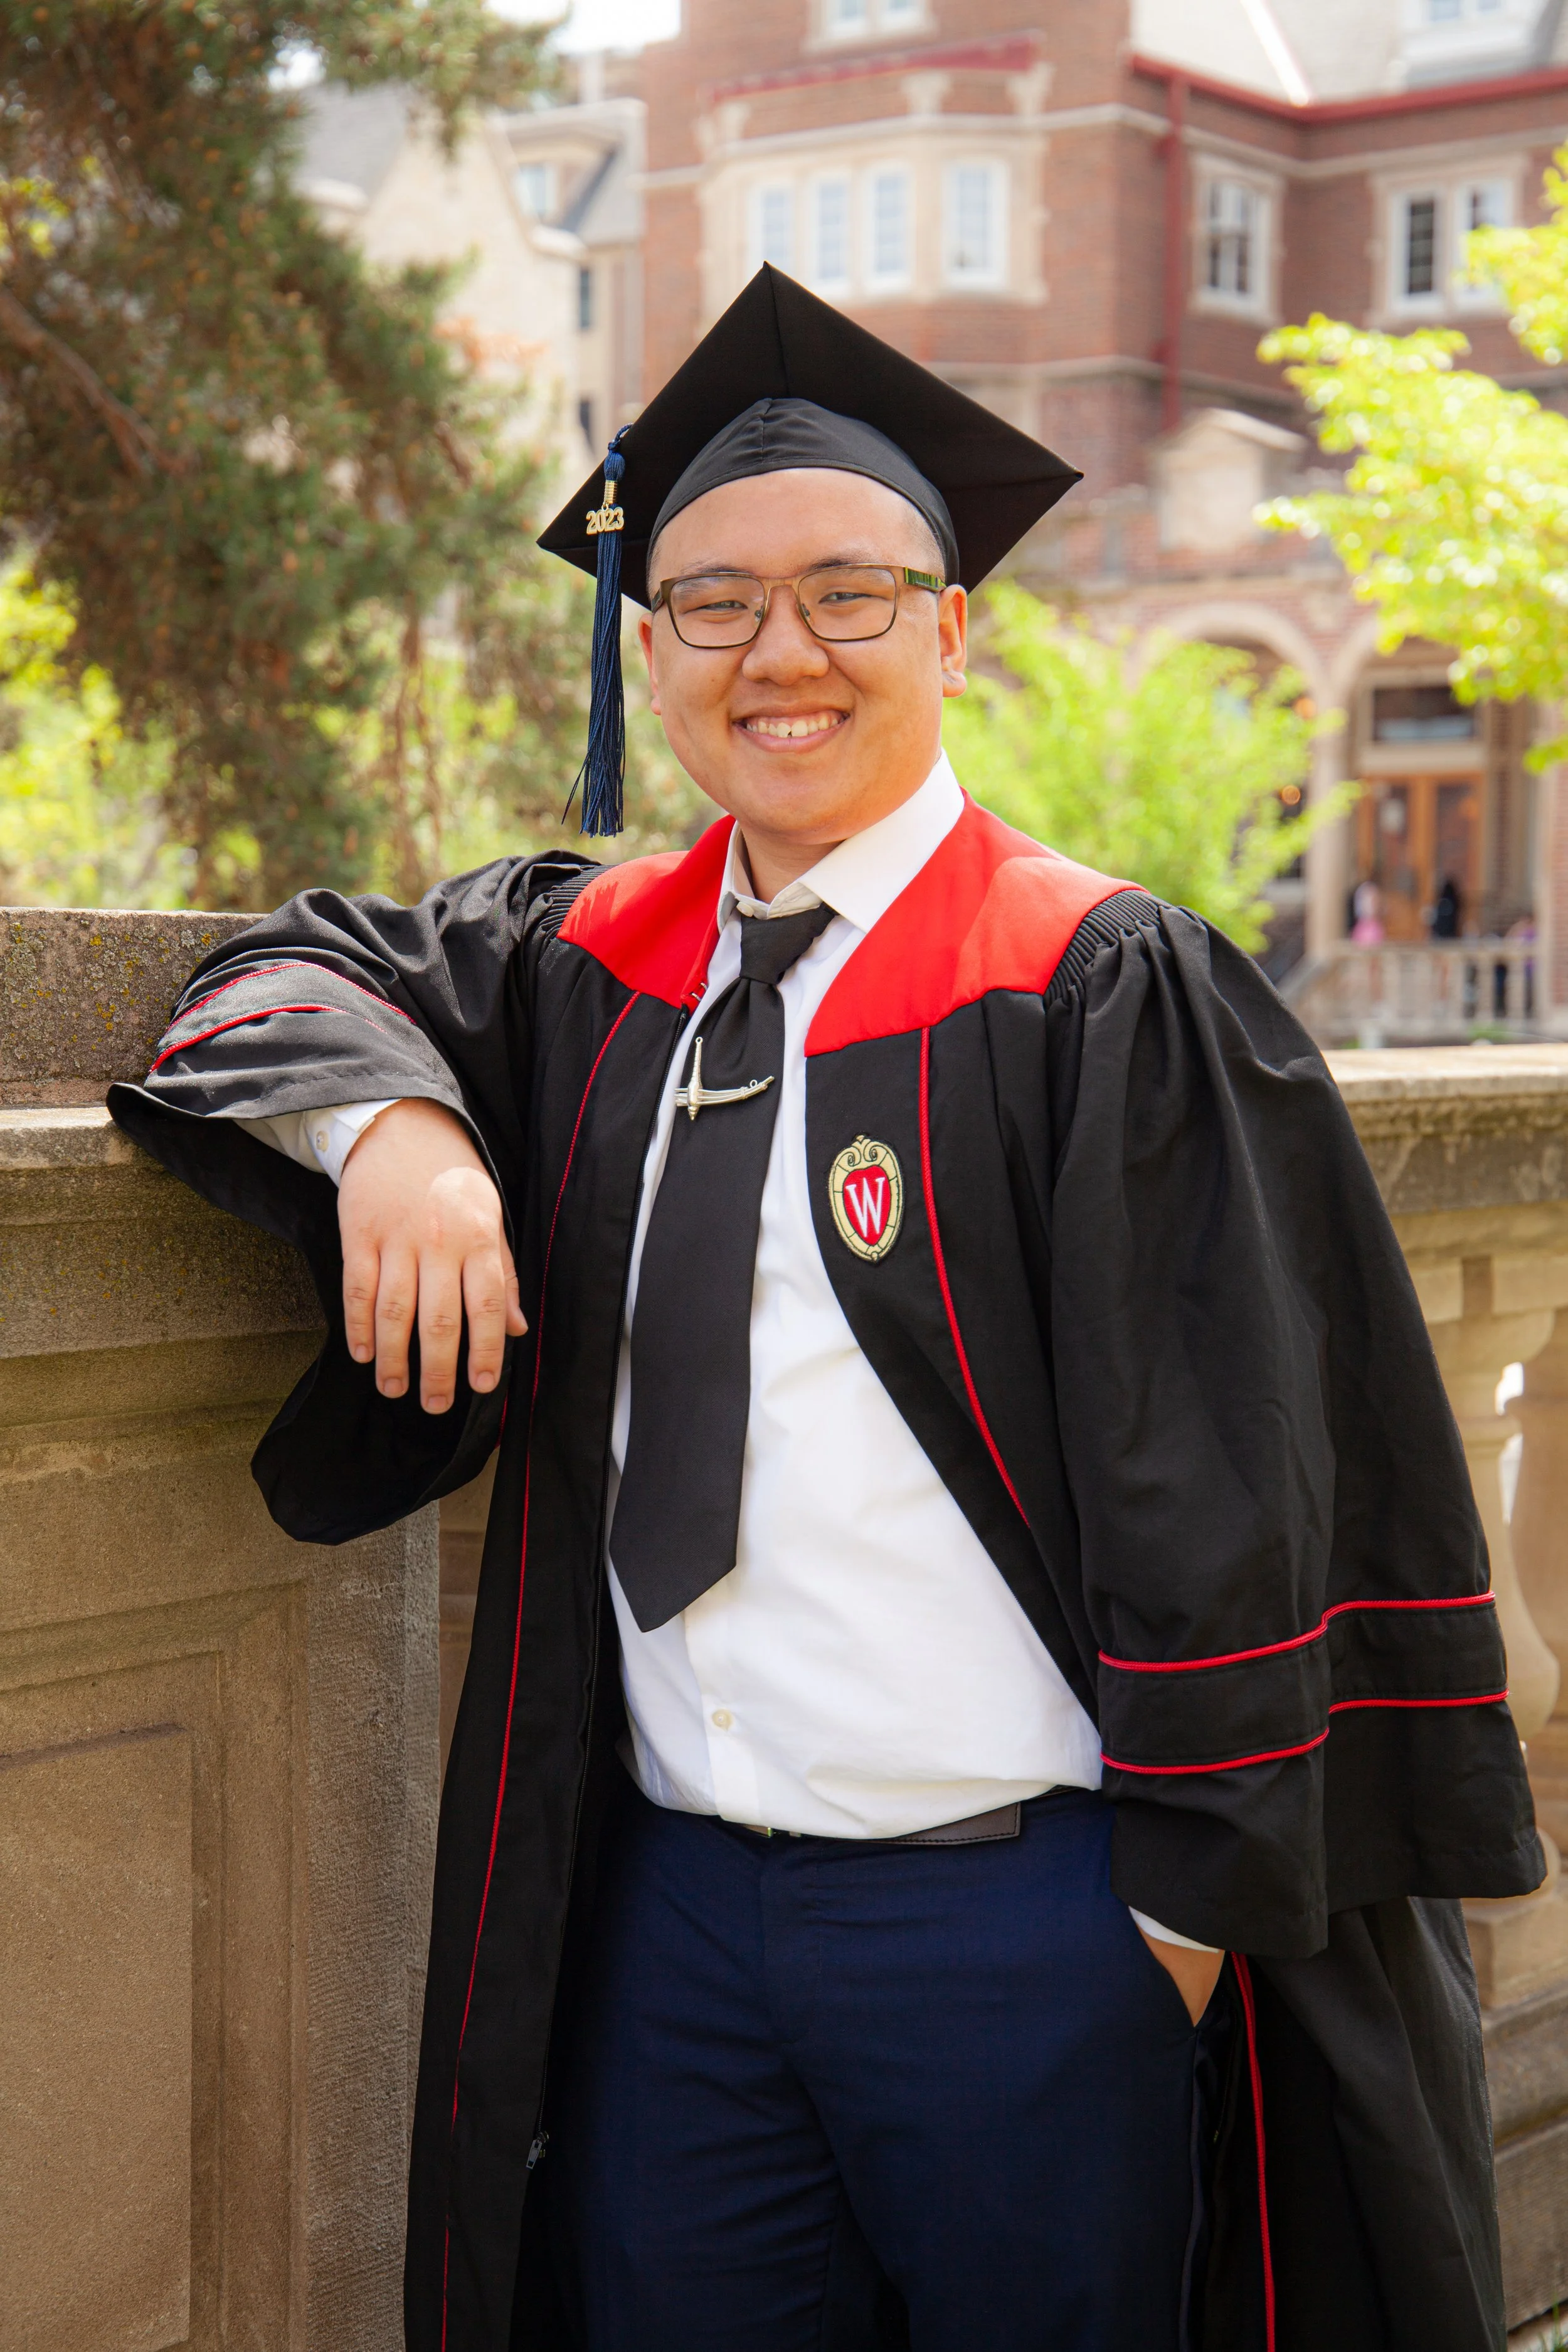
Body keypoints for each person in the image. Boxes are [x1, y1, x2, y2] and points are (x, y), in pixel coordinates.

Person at [110, 267, 1540, 2352]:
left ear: (950, 629)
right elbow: (271, 980)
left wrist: (1158, 1931)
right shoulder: (584, 964)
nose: (778, 652)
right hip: (675, 1927)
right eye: (710, 603)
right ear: (648, 648)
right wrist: (393, 1136)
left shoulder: (1092, 986)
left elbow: (1242, 1484)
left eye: (848, 594)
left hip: (1032, 1926)